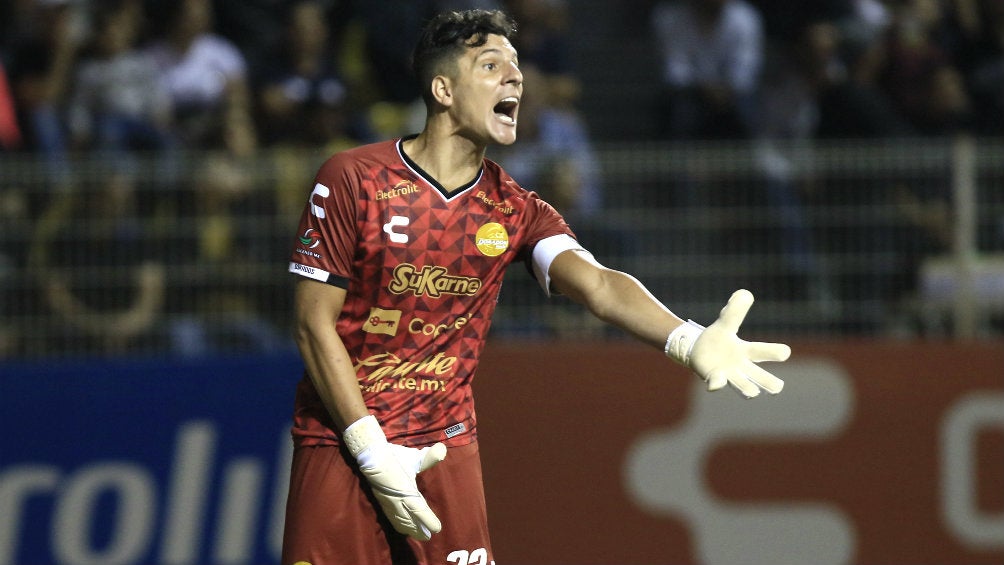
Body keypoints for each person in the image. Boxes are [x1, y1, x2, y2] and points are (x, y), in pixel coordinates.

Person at [282, 9, 791, 563]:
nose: (516, 79)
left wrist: (687, 339)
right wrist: (368, 447)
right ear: (443, 88)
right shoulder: (354, 179)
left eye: (518, 67)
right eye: (492, 65)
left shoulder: (516, 210)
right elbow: (313, 324)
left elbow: (598, 285)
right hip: (342, 444)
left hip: (444, 446)